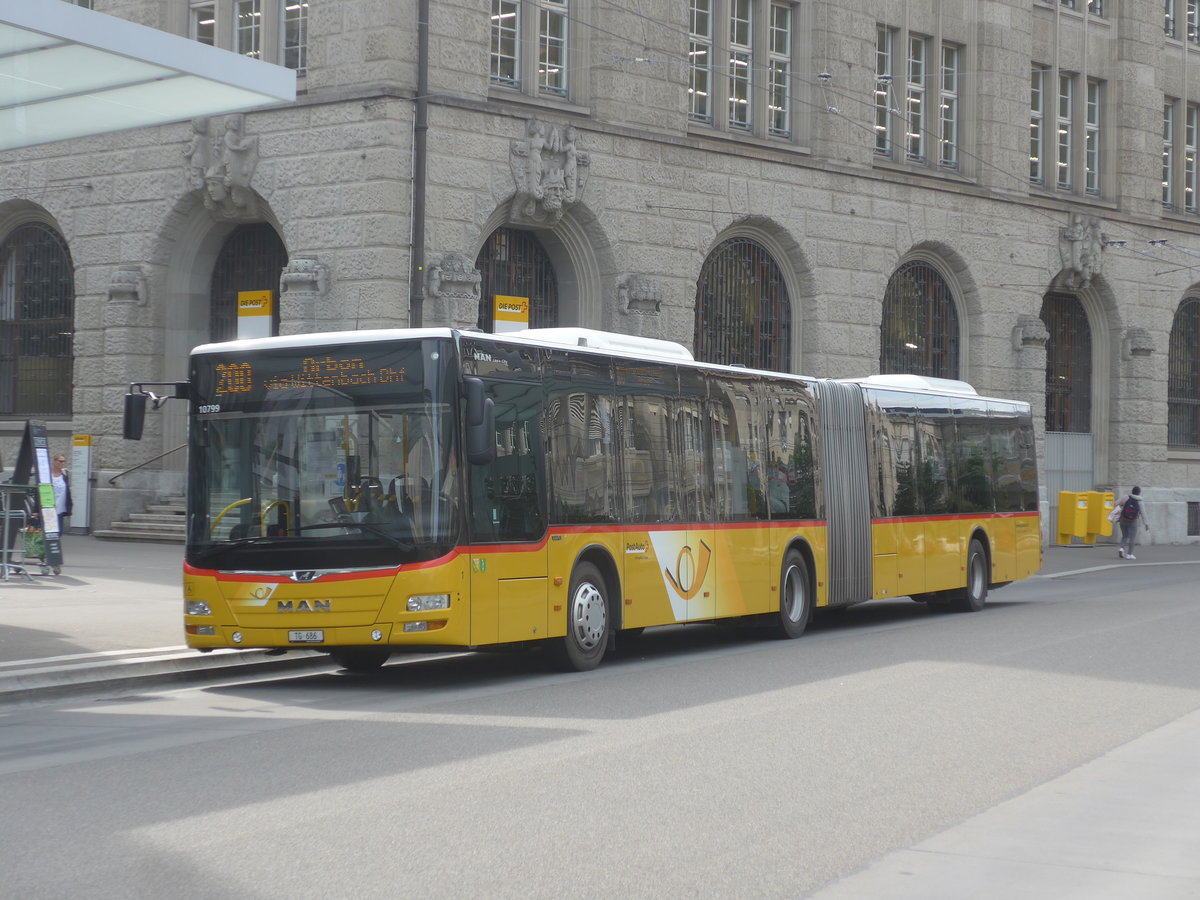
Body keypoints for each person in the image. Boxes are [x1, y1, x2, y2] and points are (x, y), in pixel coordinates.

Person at [1115, 485, 1149, 559]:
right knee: (1132, 538)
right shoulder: (1140, 501)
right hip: (1133, 521)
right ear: (1139, 493)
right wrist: (1146, 524)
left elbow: (1116, 503)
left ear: (1132, 491)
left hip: (1123, 519)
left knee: (1124, 536)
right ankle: (1129, 554)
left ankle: (1121, 548)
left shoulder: (1126, 497)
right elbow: (1143, 513)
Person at [51, 453, 72, 531]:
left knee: (59, 531)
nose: (63, 463)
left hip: (60, 508)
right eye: (61, 461)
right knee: (50, 531)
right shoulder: (48, 475)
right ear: (55, 462)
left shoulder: (64, 474)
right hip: (49, 507)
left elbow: (67, 491)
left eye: (64, 461)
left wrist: (69, 505)